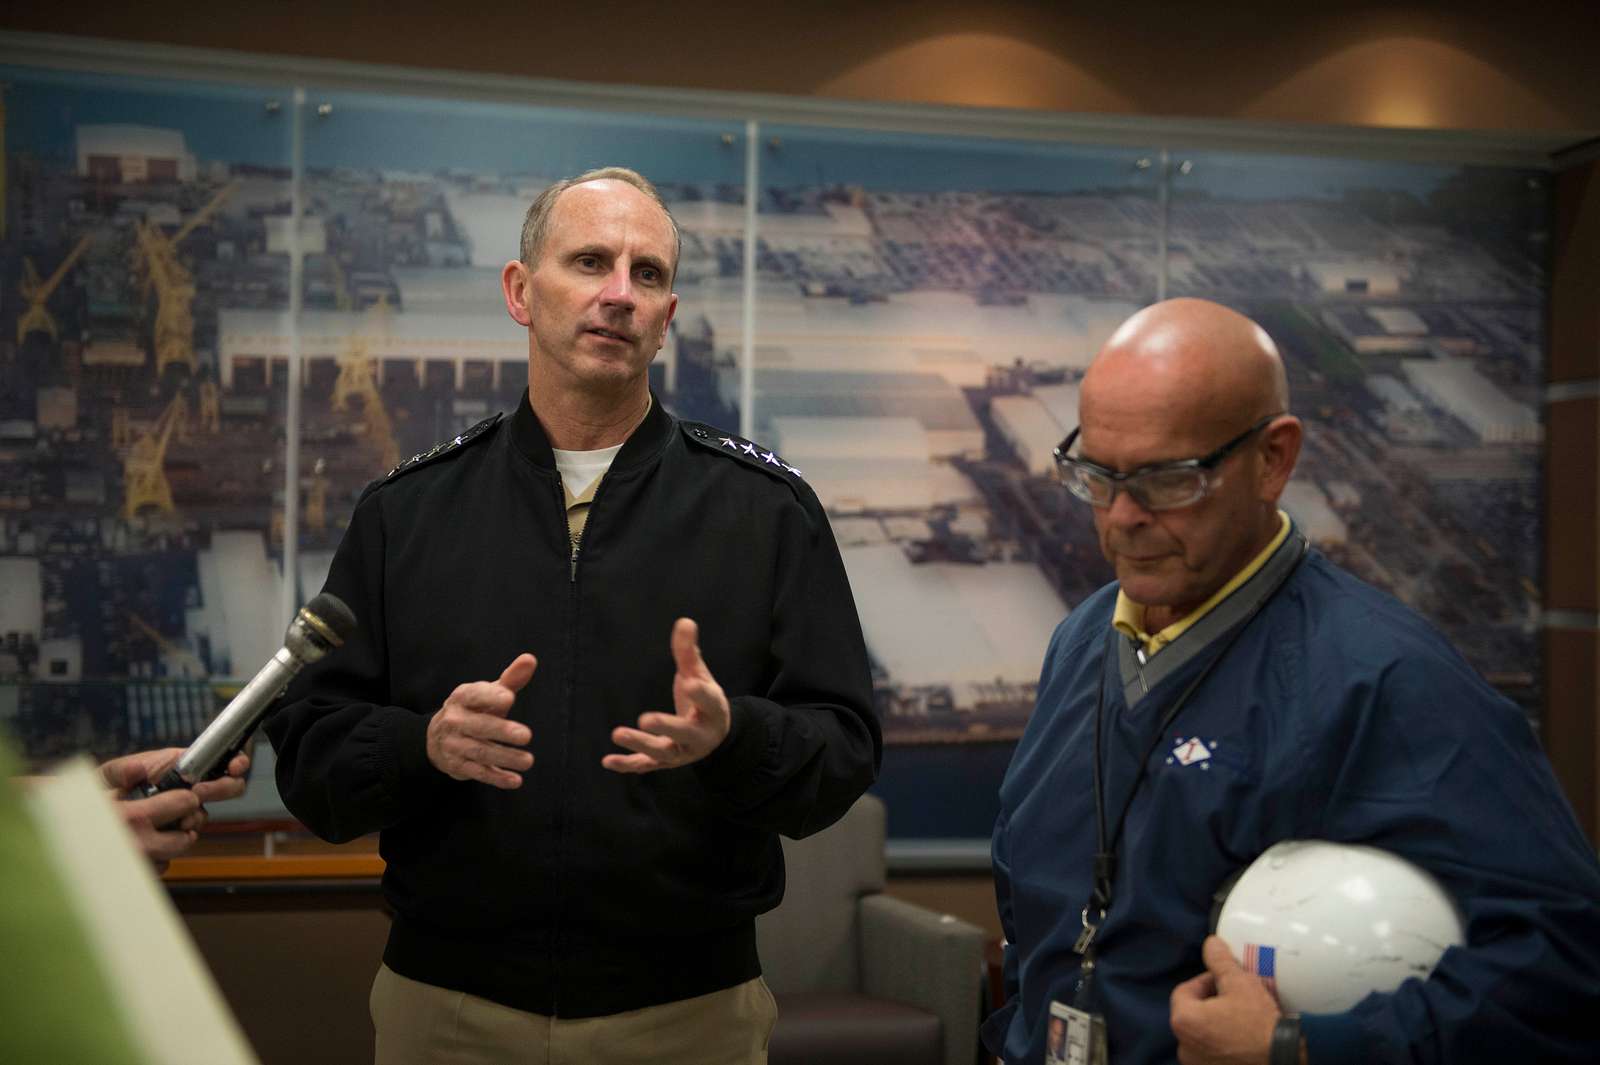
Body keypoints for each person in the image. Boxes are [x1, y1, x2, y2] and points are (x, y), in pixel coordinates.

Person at [265, 167, 880, 1065]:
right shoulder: (407, 513)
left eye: (649, 274)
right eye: (590, 261)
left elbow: (844, 753)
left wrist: (735, 737)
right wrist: (421, 745)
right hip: (449, 1011)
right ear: (521, 292)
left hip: (689, 1015)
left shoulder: (766, 513)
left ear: (668, 316)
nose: (619, 294)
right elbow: (309, 756)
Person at [984, 298, 1600, 1065]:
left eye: (1165, 480)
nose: (1120, 517)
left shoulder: (1386, 679)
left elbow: (1564, 966)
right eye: (1096, 475)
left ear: (1273, 458)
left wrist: (1302, 1049)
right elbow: (1028, 896)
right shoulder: (1078, 644)